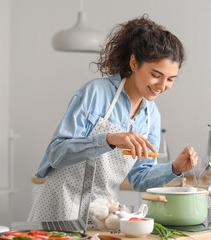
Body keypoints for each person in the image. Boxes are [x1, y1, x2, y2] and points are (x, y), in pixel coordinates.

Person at [28, 15, 198, 221]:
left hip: (104, 216)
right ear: (134, 62)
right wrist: (108, 139)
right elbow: (56, 154)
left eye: (170, 79)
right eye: (156, 74)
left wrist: (175, 168)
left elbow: (139, 178)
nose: (162, 86)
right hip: (58, 207)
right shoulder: (95, 93)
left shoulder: (151, 117)